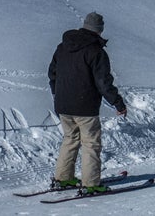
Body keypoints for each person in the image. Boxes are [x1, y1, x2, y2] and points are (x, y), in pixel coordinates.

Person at [48, 12, 127, 194]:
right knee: (91, 143)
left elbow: (52, 73)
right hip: (85, 107)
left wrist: (58, 93)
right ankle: (91, 184)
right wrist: (118, 103)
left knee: (70, 139)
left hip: (63, 105)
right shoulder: (96, 51)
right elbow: (103, 82)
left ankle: (63, 178)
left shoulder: (62, 47)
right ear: (100, 30)